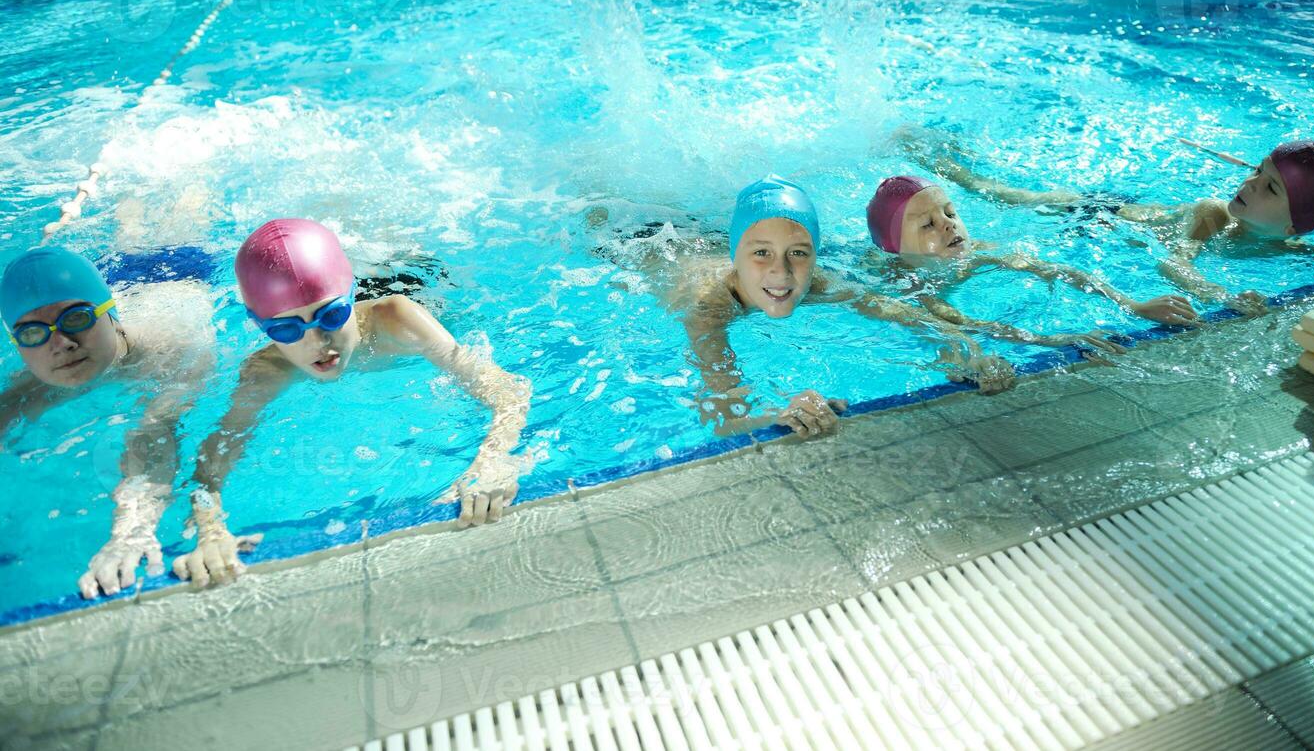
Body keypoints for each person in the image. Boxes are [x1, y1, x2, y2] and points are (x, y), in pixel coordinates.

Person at [598, 176, 1103, 439]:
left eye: (798, 254)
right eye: (761, 257)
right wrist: (776, 413)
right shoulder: (708, 308)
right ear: (737, 259)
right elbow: (722, 411)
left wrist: (963, 351)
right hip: (627, 239)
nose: (781, 274)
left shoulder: (817, 281)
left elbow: (906, 315)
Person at [173, 219, 531, 589]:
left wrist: (494, 461)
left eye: (331, 315)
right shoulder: (266, 371)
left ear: (351, 292)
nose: (317, 341)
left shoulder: (399, 319)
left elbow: (507, 391)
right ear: (259, 325)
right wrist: (211, 531)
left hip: (417, 279)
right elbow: (210, 465)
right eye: (286, 329)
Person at [903, 130, 1314, 318]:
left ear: (1295, 229)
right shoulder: (1211, 214)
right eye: (1256, 171)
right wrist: (1223, 297)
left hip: (1121, 218)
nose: (1249, 184)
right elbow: (1175, 264)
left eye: (1269, 188)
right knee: (997, 192)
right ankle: (931, 152)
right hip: (1098, 214)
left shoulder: (1297, 251)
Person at [0, 247, 214, 599]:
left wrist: (131, 531)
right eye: (33, 333)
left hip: (181, 269)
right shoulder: (28, 387)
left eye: (76, 319)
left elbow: (154, 434)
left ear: (111, 315)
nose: (62, 344)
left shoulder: (168, 352)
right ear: (18, 345)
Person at [866, 176, 1197, 332]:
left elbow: (1057, 270)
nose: (950, 227)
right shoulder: (908, 283)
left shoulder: (980, 251)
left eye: (951, 214)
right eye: (927, 225)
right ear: (894, 248)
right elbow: (961, 324)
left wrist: (1133, 305)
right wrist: (1055, 341)